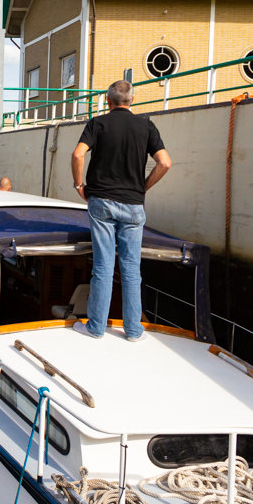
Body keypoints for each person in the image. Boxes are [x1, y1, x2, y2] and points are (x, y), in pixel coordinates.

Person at [70, 80, 172, 341]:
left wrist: (79, 185)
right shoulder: (146, 126)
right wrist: (143, 187)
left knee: (103, 267)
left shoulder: (97, 124)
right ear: (132, 100)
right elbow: (165, 163)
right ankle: (134, 331)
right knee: (131, 269)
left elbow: (78, 155)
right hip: (133, 205)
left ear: (108, 101)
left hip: (101, 202)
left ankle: (95, 327)